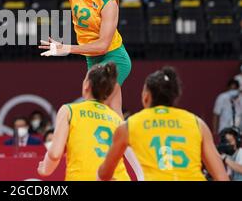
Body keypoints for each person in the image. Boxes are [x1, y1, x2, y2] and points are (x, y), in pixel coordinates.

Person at [98, 67, 229, 181]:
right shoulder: (197, 123)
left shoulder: (129, 125)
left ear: (146, 96)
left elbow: (104, 174)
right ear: (175, 96)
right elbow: (222, 177)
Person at [37, 63, 130, 181]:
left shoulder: (69, 110)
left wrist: (45, 169)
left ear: (87, 85)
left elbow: (55, 154)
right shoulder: (117, 119)